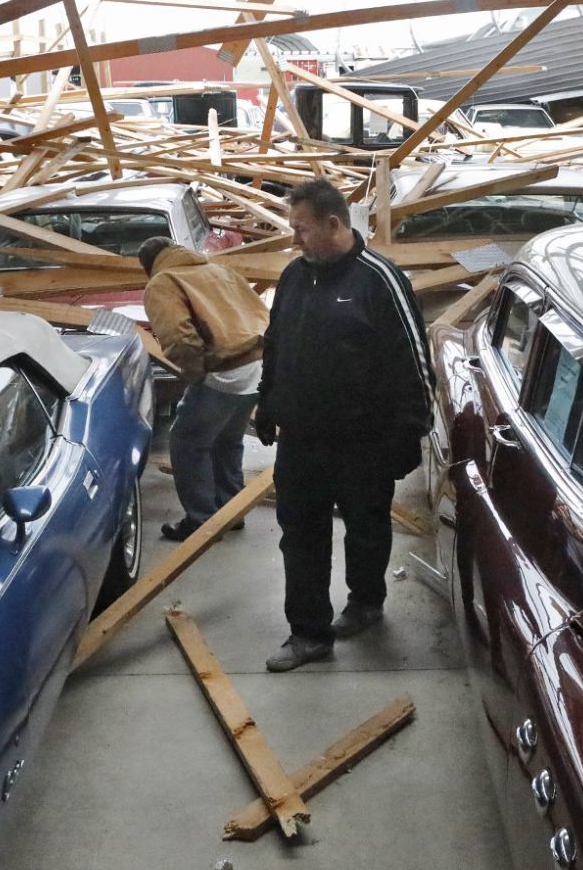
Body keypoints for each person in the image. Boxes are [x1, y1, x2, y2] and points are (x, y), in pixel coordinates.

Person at [255, 179, 433, 673]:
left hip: (364, 442)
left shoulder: (379, 279)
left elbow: (414, 360)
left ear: (334, 224)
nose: (295, 239)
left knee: (366, 528)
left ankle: (366, 602)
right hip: (302, 442)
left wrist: (410, 430)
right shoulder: (294, 276)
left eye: (301, 229)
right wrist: (268, 403)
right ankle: (308, 632)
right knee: (300, 535)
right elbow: (277, 344)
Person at [139, 236, 270, 541]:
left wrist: (196, 374)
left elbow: (179, 338)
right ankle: (231, 511)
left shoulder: (162, 282)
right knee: (228, 441)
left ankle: (201, 522)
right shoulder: (219, 270)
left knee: (187, 443)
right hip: (258, 364)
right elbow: (259, 312)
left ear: (148, 264)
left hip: (224, 372)